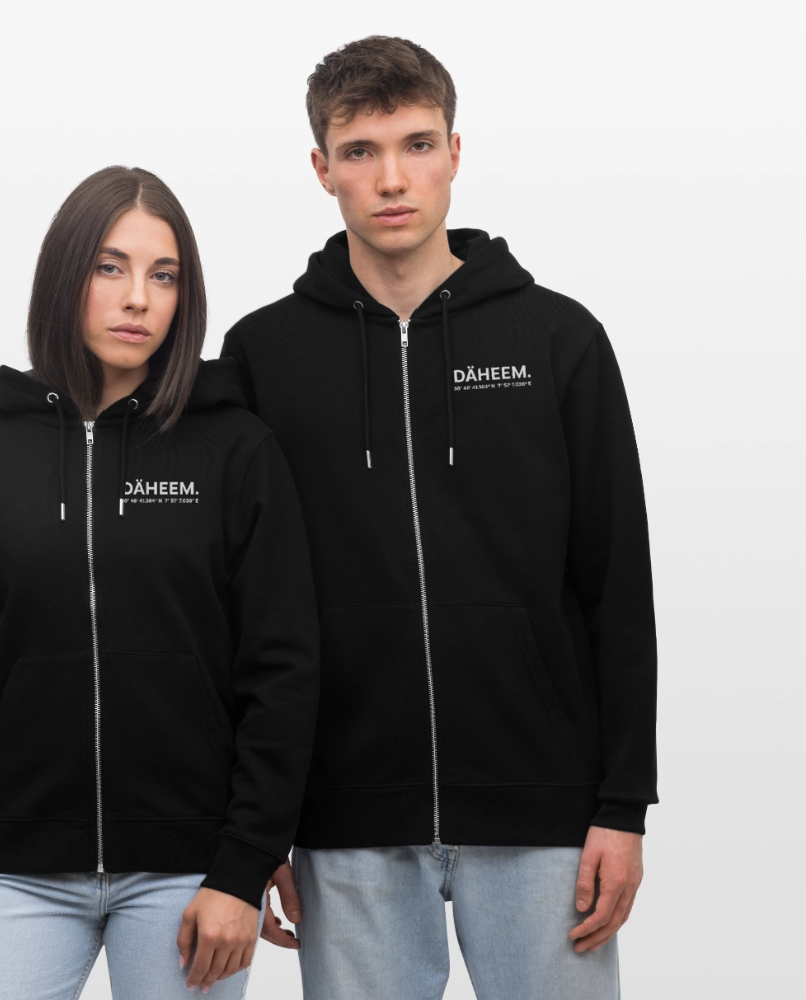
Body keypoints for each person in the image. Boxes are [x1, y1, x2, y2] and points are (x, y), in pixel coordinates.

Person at [222, 36, 657, 1000]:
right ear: (321, 167)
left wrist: (623, 805)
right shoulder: (263, 356)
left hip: (545, 812)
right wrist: (255, 830)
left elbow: (617, 582)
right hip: (344, 818)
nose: (392, 178)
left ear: (455, 153)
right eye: (361, 150)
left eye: (417, 145)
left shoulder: (558, 338)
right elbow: (239, 611)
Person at [0, 166, 320, 999]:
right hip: (17, 863)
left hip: (189, 870)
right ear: (65, 276)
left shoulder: (235, 450)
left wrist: (243, 865)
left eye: (163, 276)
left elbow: (282, 671)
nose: (138, 298)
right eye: (110, 267)